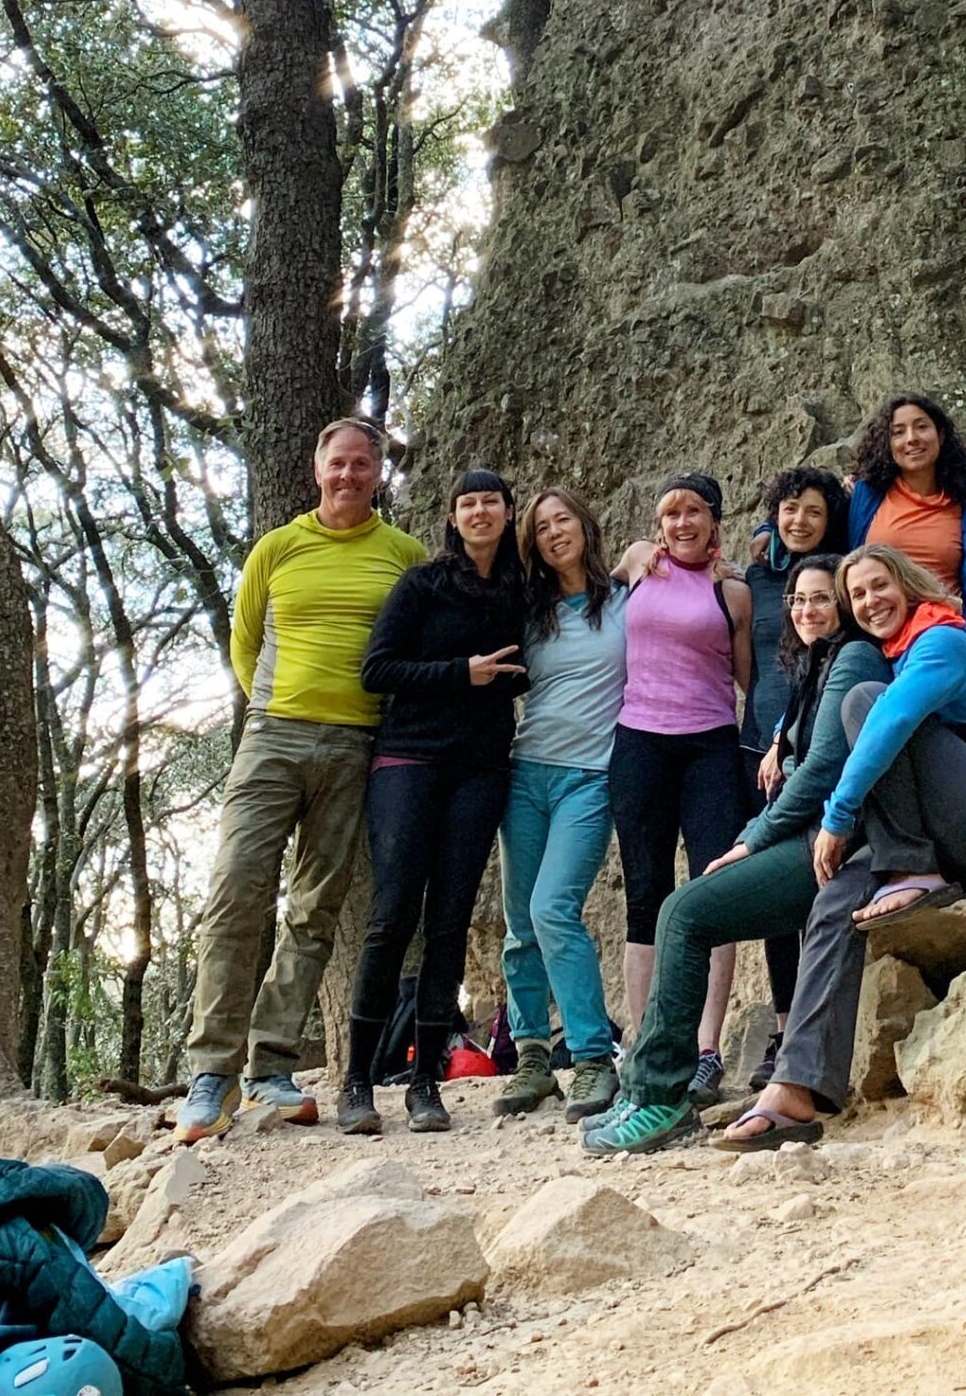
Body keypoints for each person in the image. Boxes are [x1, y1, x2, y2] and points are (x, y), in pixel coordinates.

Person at [715, 543, 966, 1149]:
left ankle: (910, 870)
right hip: (945, 832)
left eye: (879, 586)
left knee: (866, 705)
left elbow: (890, 723)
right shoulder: (893, 657)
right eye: (858, 596)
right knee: (834, 898)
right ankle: (796, 1090)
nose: (870, 602)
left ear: (907, 583)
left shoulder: (942, 640)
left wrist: (839, 817)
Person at [582, 551, 887, 1155]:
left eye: (821, 598)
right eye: (797, 600)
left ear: (845, 606)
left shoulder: (851, 656)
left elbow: (824, 767)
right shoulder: (820, 662)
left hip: (828, 841)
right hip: (810, 832)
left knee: (684, 913)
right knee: (678, 910)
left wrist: (753, 837)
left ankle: (658, 1097)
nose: (805, 610)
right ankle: (647, 1088)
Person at [176, 418, 426, 1142]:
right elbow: (244, 644)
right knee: (236, 893)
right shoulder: (276, 549)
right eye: (336, 463)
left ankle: (271, 1065)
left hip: (357, 746)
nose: (348, 475)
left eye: (361, 464)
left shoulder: (403, 556)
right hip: (273, 737)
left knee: (315, 909)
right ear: (317, 471)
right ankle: (211, 1072)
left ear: (379, 475)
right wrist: (279, 708)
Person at [338, 468, 527, 1135]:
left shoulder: (517, 591)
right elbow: (377, 669)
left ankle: (426, 1082)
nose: (479, 511)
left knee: (449, 922)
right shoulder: (422, 583)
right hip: (409, 762)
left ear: (509, 513)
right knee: (392, 917)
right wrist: (462, 674)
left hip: (480, 769)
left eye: (491, 502)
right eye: (467, 502)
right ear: (453, 516)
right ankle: (357, 1081)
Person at [609, 472, 753, 1106]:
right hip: (639, 741)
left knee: (713, 888)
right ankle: (644, 1042)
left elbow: (748, 678)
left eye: (694, 511)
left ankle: (704, 1048)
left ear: (714, 521)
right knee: (645, 891)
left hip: (711, 746)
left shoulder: (735, 592)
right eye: (671, 513)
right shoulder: (638, 566)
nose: (682, 523)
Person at [494, 488, 627, 1122]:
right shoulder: (528, 611)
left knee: (554, 908)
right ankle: (530, 1056)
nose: (553, 533)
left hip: (588, 777)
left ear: (585, 523)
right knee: (520, 921)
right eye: (541, 527)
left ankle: (592, 1056)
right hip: (526, 773)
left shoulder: (627, 599)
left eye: (563, 519)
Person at [740, 465, 849, 1084]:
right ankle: (783, 1032)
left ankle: (815, 1038)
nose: (798, 521)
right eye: (788, 509)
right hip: (760, 751)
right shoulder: (756, 577)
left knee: (817, 884)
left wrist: (787, 733)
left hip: (815, 749)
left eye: (812, 509)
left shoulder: (842, 578)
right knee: (778, 901)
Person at [847, 394, 966, 686]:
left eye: (921, 427)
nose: (911, 439)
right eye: (898, 432)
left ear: (940, 435)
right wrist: (766, 532)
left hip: (942, 632)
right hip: (880, 631)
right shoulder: (867, 496)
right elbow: (812, 513)